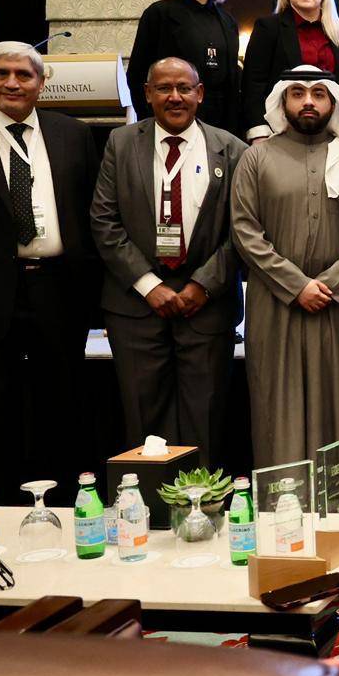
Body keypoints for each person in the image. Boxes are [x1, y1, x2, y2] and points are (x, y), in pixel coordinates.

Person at [0, 42, 101, 494]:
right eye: (1, 73)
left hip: (60, 291)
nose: (12, 83)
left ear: (42, 83)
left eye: (24, 74)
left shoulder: (73, 134)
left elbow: (94, 215)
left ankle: (62, 505)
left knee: (61, 406)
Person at [91, 57, 246, 466]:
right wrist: (149, 286)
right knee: (144, 422)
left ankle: (201, 501)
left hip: (207, 306)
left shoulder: (232, 149)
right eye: (163, 88)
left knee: (205, 419)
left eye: (184, 88)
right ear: (147, 94)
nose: (174, 97)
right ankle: (149, 503)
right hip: (135, 308)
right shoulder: (121, 143)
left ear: (200, 94)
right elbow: (104, 221)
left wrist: (203, 285)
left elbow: (243, 230)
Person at [230, 69, 339, 468]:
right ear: (283, 102)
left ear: (333, 103)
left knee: (338, 406)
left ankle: (336, 500)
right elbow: (244, 231)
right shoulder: (256, 158)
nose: (308, 101)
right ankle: (281, 499)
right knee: (275, 407)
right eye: (297, 93)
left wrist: (329, 284)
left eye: (318, 94)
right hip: (274, 303)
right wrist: (296, 286)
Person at [127, 0, 240, 134]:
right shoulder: (158, 15)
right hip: (170, 127)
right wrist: (153, 127)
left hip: (220, 131)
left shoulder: (227, 21)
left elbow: (231, 86)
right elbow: (137, 77)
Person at [240, 0, 339, 142]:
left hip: (331, 131)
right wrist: (258, 132)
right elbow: (253, 85)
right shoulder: (268, 27)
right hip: (280, 130)